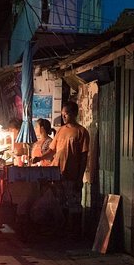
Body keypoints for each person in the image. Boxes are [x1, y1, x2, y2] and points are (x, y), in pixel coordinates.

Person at [33, 101, 89, 236]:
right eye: (63, 114)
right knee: (61, 204)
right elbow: (52, 150)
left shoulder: (82, 132)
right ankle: (63, 231)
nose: (64, 116)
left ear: (75, 114)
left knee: (74, 205)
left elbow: (83, 157)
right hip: (57, 175)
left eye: (67, 114)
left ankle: (76, 233)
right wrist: (39, 158)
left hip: (72, 175)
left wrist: (79, 178)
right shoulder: (61, 131)